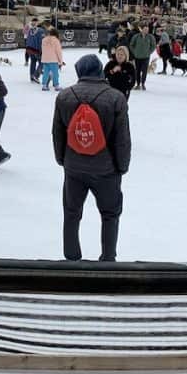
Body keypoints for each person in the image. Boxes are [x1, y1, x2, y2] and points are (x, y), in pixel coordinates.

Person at [52, 54, 131, 262]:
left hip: (74, 167)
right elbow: (122, 139)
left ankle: (72, 258)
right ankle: (108, 258)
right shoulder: (116, 98)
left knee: (71, 213)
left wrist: (62, 160)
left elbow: (57, 133)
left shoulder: (64, 96)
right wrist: (122, 166)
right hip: (106, 169)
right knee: (110, 214)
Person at [128, 25, 155, 90]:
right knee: (137, 71)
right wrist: (134, 52)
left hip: (146, 57)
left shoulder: (150, 37)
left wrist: (149, 52)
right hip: (137, 57)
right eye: (145, 29)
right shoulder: (136, 36)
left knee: (144, 71)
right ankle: (138, 84)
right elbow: (131, 45)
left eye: (147, 30)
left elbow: (153, 45)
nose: (146, 31)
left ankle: (143, 83)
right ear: (142, 30)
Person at [40, 27, 65, 92]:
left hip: (45, 59)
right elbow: (58, 51)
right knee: (55, 73)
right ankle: (56, 86)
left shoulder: (44, 40)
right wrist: (60, 61)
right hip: (53, 60)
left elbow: (43, 50)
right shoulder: (56, 40)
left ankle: (44, 85)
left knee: (45, 73)